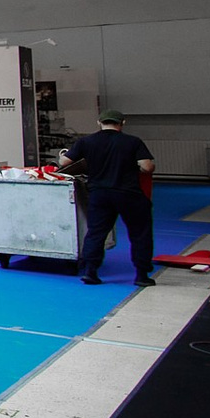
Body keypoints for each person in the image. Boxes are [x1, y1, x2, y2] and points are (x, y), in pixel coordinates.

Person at [59, 109, 156, 286]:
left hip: (99, 194)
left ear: (99, 122)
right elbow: (147, 167)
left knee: (96, 233)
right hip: (129, 193)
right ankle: (141, 275)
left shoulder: (86, 141)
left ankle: (91, 272)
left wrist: (64, 156)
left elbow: (64, 162)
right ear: (122, 123)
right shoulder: (133, 142)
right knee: (140, 233)